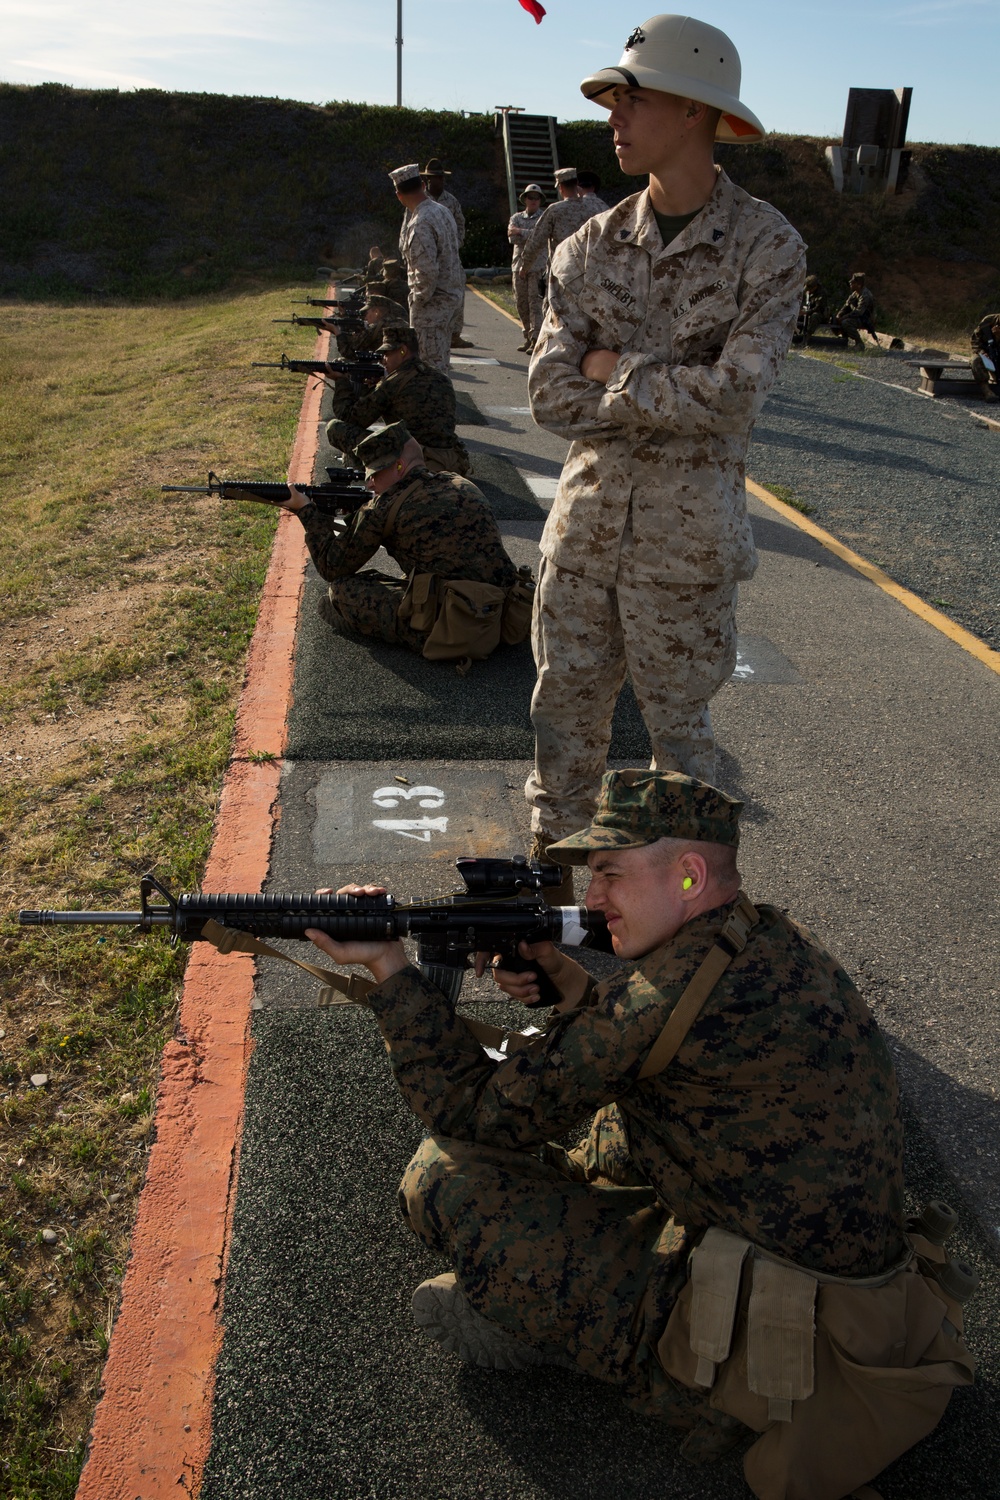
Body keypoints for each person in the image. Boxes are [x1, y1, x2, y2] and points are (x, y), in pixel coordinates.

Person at [301, 769, 974, 1497]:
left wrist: (387, 968)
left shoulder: (664, 994)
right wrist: (569, 986)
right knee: (606, 1135)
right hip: (851, 1294)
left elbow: (470, 1114)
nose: (590, 900)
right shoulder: (763, 936)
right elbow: (654, 1050)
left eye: (611, 875)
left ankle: (593, 1339)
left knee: (443, 1180)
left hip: (783, 1353)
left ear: (688, 877)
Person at [524, 13, 806, 897]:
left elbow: (736, 398)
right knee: (563, 727)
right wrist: (666, 386)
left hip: (685, 552)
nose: (612, 117)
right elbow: (548, 394)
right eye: (612, 99)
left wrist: (617, 370)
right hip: (585, 535)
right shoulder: (588, 246)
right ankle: (555, 900)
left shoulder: (768, 246)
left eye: (631, 98)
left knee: (681, 741)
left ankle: (696, 915)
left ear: (693, 111)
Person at [283, 421, 516, 653]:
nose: (370, 483)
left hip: (457, 623)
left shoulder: (385, 506)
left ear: (399, 467)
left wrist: (306, 510)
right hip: (506, 611)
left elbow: (331, 566)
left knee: (342, 590)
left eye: (375, 474)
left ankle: (383, 625)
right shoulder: (460, 483)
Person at [325, 326, 472, 476]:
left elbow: (350, 417)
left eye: (387, 354)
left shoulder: (393, 382)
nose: (383, 360)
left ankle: (371, 470)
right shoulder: (440, 376)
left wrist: (341, 380)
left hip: (410, 460)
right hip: (448, 459)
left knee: (335, 428)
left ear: (402, 351)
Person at [390, 162, 465, 374]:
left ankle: (440, 407)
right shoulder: (441, 211)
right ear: (423, 185)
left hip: (432, 305)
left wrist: (417, 300)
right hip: (450, 297)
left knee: (429, 370)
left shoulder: (420, 222)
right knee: (440, 362)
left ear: (399, 195)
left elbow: (426, 273)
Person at [518, 166, 608, 291]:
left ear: (560, 187)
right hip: (591, 276)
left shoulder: (555, 210)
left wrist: (525, 266)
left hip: (561, 277)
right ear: (577, 185)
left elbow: (536, 241)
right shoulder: (596, 208)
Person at [420, 157, 474, 350]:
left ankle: (454, 334)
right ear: (428, 180)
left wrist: (456, 244)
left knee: (458, 293)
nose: (440, 181)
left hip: (450, 258)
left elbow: (460, 223)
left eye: (441, 177)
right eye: (436, 178)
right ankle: (427, 334)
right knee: (428, 294)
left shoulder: (451, 201)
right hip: (427, 258)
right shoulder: (420, 200)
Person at [508, 183, 547, 351]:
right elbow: (512, 238)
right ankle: (527, 336)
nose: (533, 200)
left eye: (536, 198)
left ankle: (536, 339)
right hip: (519, 265)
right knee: (521, 303)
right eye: (530, 197)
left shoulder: (544, 217)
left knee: (535, 303)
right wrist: (526, 233)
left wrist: (521, 232)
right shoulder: (516, 217)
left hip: (537, 266)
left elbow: (540, 237)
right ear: (525, 199)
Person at [831, 273, 876, 349]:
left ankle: (859, 343)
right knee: (833, 319)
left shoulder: (865, 295)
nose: (850, 284)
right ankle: (843, 338)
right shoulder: (855, 294)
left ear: (859, 284)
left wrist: (844, 317)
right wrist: (839, 315)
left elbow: (859, 312)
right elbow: (846, 305)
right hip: (856, 317)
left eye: (853, 283)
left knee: (846, 322)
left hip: (865, 319)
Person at [794, 274, 828, 344]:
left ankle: (807, 338)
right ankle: (795, 335)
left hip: (820, 314)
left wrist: (806, 312)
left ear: (815, 287)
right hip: (808, 311)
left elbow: (818, 308)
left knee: (814, 316)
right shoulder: (807, 291)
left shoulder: (822, 294)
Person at [970, 311, 1000, 387]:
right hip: (984, 352)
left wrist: (998, 337)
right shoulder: (988, 321)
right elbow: (975, 341)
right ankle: (986, 390)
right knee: (976, 361)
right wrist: (982, 352)